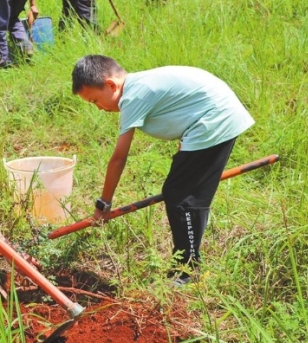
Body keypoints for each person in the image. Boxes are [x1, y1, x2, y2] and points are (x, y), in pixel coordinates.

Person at [71, 55, 255, 286]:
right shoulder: (138, 85)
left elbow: (119, 158)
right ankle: (186, 264)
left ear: (110, 85)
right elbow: (182, 107)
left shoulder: (133, 95)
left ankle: (187, 271)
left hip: (215, 118)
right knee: (183, 192)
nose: (99, 108)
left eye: (95, 100)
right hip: (213, 115)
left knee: (182, 198)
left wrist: (104, 205)